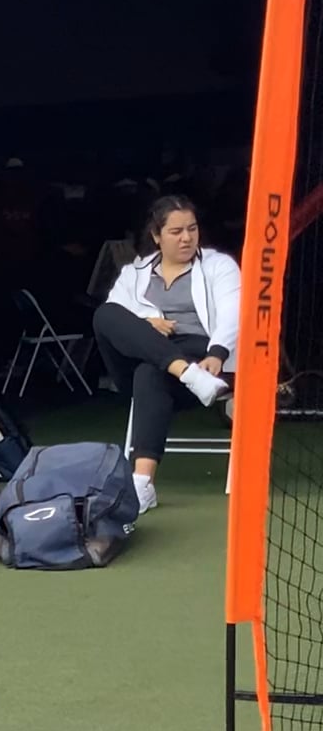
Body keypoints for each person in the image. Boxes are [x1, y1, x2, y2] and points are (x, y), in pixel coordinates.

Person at [93, 194, 239, 513]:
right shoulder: (134, 273)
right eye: (176, 231)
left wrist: (217, 352)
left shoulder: (219, 266)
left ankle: (142, 483)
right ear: (157, 236)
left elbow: (233, 312)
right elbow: (119, 318)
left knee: (150, 371)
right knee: (105, 314)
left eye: (192, 229)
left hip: (204, 358)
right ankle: (185, 372)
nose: (186, 238)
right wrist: (147, 322)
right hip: (153, 362)